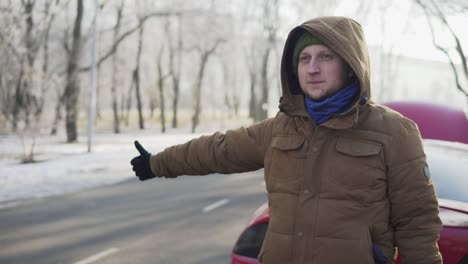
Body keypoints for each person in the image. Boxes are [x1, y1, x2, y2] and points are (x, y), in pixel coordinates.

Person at [131, 16, 442, 264]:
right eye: (304, 58)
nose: (312, 68)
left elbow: (418, 223)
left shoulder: (393, 131)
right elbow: (218, 150)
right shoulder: (281, 128)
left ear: (349, 65)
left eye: (325, 57)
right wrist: (157, 163)